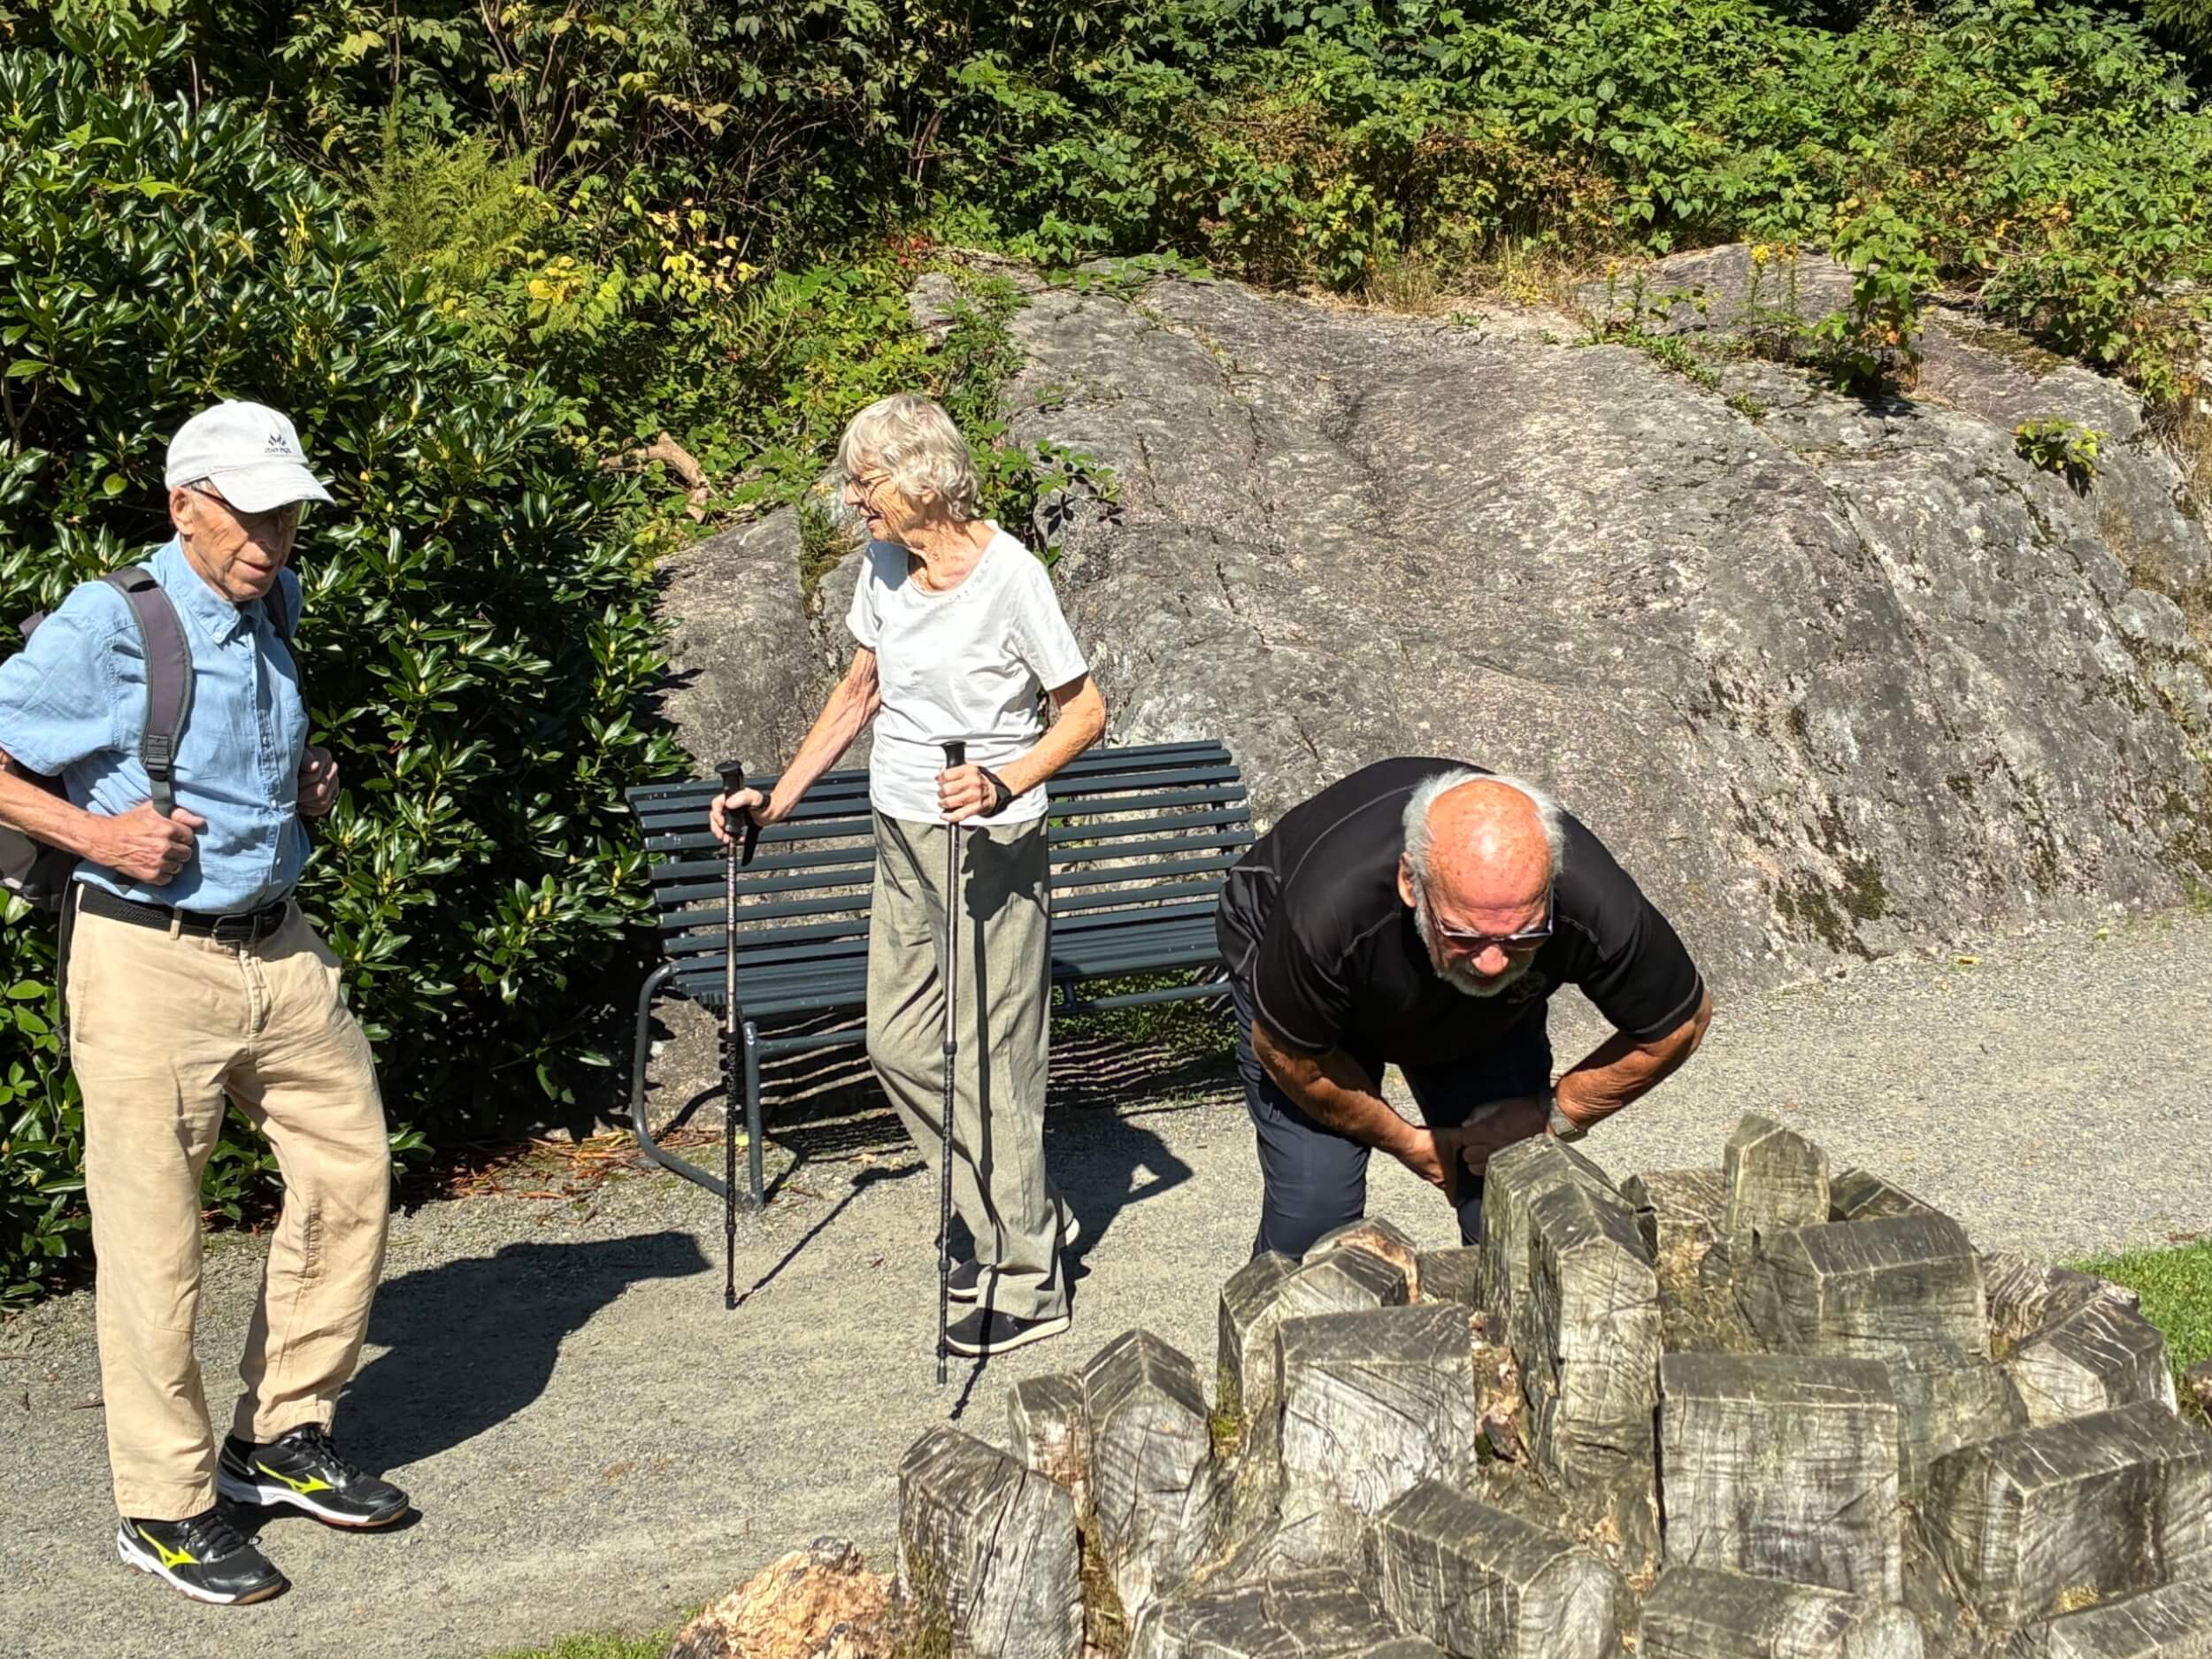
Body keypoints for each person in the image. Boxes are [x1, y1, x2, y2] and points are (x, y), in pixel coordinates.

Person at [0, 403, 405, 1607]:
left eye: (286, 512)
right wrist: (97, 832)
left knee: (351, 1170)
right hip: (145, 959)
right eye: (251, 512)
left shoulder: (269, 602)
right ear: (185, 504)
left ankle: (281, 1433)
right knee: (155, 1242)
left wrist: (306, 778)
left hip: (278, 945)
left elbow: (243, 743)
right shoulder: (109, 620)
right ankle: (166, 1505)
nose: (275, 536)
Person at [711, 392, 1107, 1356]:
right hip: (903, 836)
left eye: (867, 481)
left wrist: (1004, 777)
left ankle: (1027, 1273)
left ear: (925, 477)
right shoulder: (885, 566)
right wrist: (781, 796)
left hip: (989, 849)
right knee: (897, 1044)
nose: (855, 501)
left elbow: (1086, 711)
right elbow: (863, 687)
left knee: (993, 1060)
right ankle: (1011, 1215)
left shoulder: (1011, 578)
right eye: (854, 482)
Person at [1215, 758, 1713, 1257]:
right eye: (1464, 933)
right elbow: (1288, 1056)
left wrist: (1555, 1114)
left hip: (1473, 1014)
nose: (1494, 963)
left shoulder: (1591, 900)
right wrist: (1410, 1142)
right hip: (1307, 983)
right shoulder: (1324, 915)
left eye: (1524, 936)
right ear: (1412, 884)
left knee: (1513, 1186)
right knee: (1315, 1210)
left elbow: (1680, 1024)